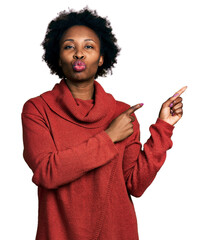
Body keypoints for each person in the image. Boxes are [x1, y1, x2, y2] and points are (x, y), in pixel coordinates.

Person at [21, 7, 187, 240]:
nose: (79, 54)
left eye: (88, 46)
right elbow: (47, 173)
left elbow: (135, 185)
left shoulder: (122, 113)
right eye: (69, 46)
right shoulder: (38, 109)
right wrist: (109, 137)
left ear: (101, 58)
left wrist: (163, 127)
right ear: (58, 57)